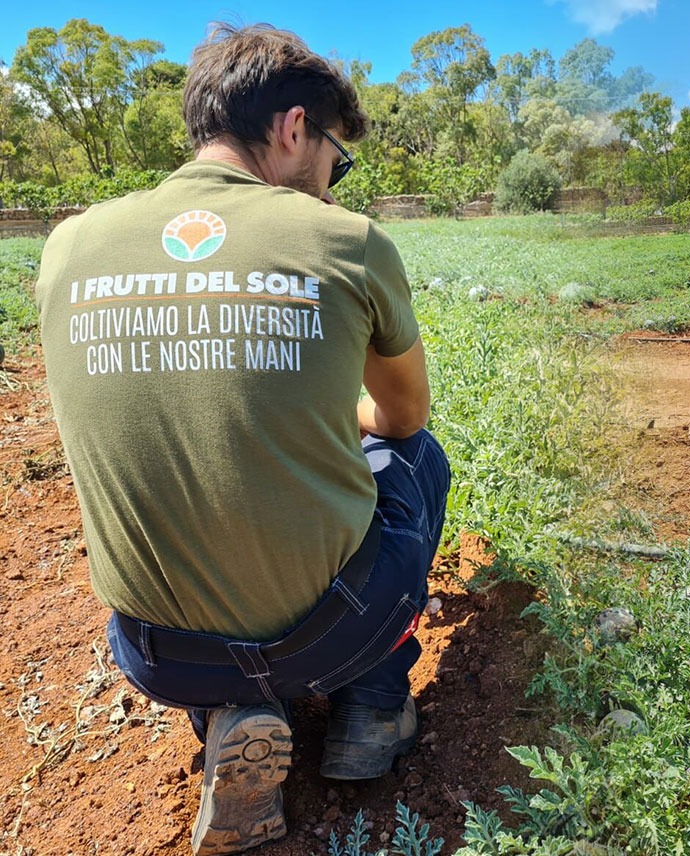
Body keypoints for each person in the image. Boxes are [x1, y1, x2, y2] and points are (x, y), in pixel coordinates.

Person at [34, 23, 449, 856]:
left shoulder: (69, 244)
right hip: (331, 629)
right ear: (296, 129)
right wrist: (342, 424)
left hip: (155, 652)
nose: (333, 186)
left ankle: (230, 709)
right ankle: (370, 699)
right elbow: (403, 418)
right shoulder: (345, 240)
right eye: (338, 158)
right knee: (417, 460)